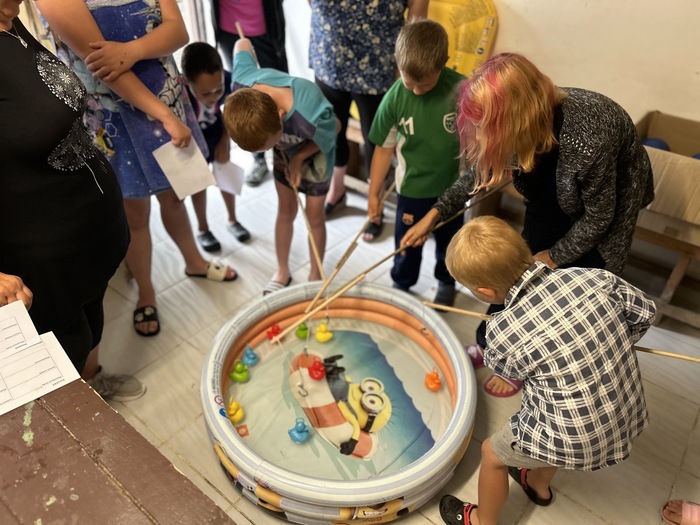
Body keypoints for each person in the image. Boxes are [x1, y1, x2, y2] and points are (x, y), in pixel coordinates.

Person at [401, 52, 654, 396]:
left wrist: (553, 256)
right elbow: (479, 173)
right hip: (553, 193)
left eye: (487, 128)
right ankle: (493, 346)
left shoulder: (589, 140)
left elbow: (599, 219)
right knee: (511, 274)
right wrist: (434, 215)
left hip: (605, 205)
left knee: (565, 295)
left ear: (515, 123)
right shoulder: (515, 127)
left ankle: (525, 363)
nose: (480, 136)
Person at [36, 0, 238, 338]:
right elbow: (103, 64)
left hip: (167, 98)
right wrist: (164, 115)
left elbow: (178, 31)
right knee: (134, 215)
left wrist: (131, 51)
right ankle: (146, 292)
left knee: (176, 196)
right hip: (113, 117)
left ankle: (195, 261)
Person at [439, 216, 655, 525]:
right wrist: (610, 343)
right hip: (626, 413)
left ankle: (482, 520)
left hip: (573, 434)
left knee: (492, 453)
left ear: (485, 292)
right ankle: (537, 484)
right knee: (556, 414)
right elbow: (645, 313)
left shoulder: (501, 331)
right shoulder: (592, 277)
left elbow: (507, 370)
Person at [0, 1, 144, 401]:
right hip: (39, 256)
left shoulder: (10, 24)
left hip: (86, 233)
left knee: (92, 320)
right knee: (65, 349)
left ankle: (94, 380)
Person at [223, 37, 338, 295]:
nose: (266, 151)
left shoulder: (309, 113)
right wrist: (246, 41)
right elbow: (241, 44)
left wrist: (298, 158)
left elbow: (334, 131)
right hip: (285, 148)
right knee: (285, 209)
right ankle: (282, 271)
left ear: (281, 116)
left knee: (314, 216)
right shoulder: (241, 85)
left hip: (316, 148)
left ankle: (315, 274)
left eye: (267, 146)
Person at [308, 0, 428, 240]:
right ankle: (337, 190)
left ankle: (376, 203)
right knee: (330, 131)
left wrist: (405, 65)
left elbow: (418, 15)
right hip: (329, 54)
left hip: (378, 64)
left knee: (377, 140)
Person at [367, 19, 465, 306]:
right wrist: (373, 193)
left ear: (443, 64)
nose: (417, 91)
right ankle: (402, 281)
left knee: (450, 242)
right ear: (398, 65)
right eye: (409, 83)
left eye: (425, 85)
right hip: (412, 189)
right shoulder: (394, 99)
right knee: (407, 243)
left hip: (452, 188)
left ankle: (446, 281)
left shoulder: (462, 90)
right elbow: (383, 151)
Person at [180, 41, 251, 253]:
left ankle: (232, 219)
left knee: (224, 169)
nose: (213, 97)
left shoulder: (228, 81)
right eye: (205, 93)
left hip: (217, 132)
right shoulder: (179, 93)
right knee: (198, 183)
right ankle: (203, 229)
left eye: (218, 90)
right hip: (192, 140)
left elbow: (232, 110)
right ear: (187, 82)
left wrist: (224, 141)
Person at [211, 0, 288, 187]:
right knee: (244, 98)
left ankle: (285, 155)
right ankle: (259, 159)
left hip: (265, 26)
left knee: (278, 90)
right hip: (229, 27)